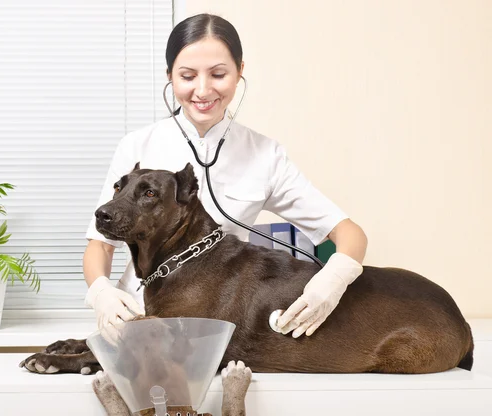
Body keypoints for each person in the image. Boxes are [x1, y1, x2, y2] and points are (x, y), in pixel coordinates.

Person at [83, 13, 368, 338]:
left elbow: (350, 235)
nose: (202, 91)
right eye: (187, 76)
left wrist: (332, 282)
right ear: (169, 76)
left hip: (211, 320)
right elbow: (100, 245)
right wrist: (101, 293)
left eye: (218, 74)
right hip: (133, 315)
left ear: (239, 71)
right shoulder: (136, 145)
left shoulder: (265, 154)